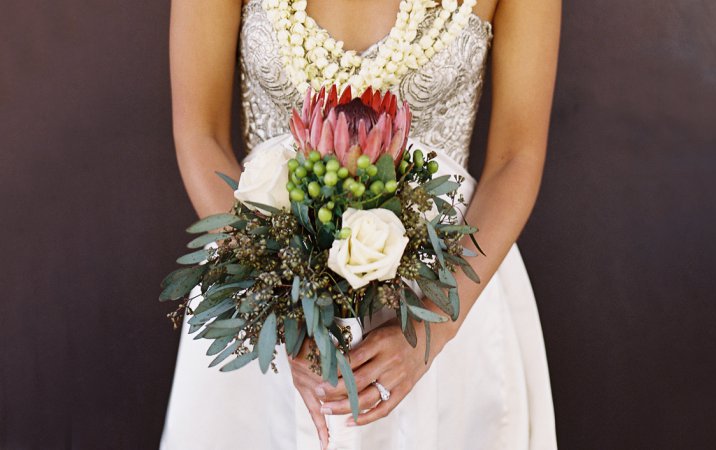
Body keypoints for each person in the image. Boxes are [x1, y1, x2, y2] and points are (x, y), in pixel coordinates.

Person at [161, 0, 560, 448]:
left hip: (446, 287)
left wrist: (435, 324)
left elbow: (516, 157)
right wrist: (278, 312)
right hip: (265, 279)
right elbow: (201, 133)